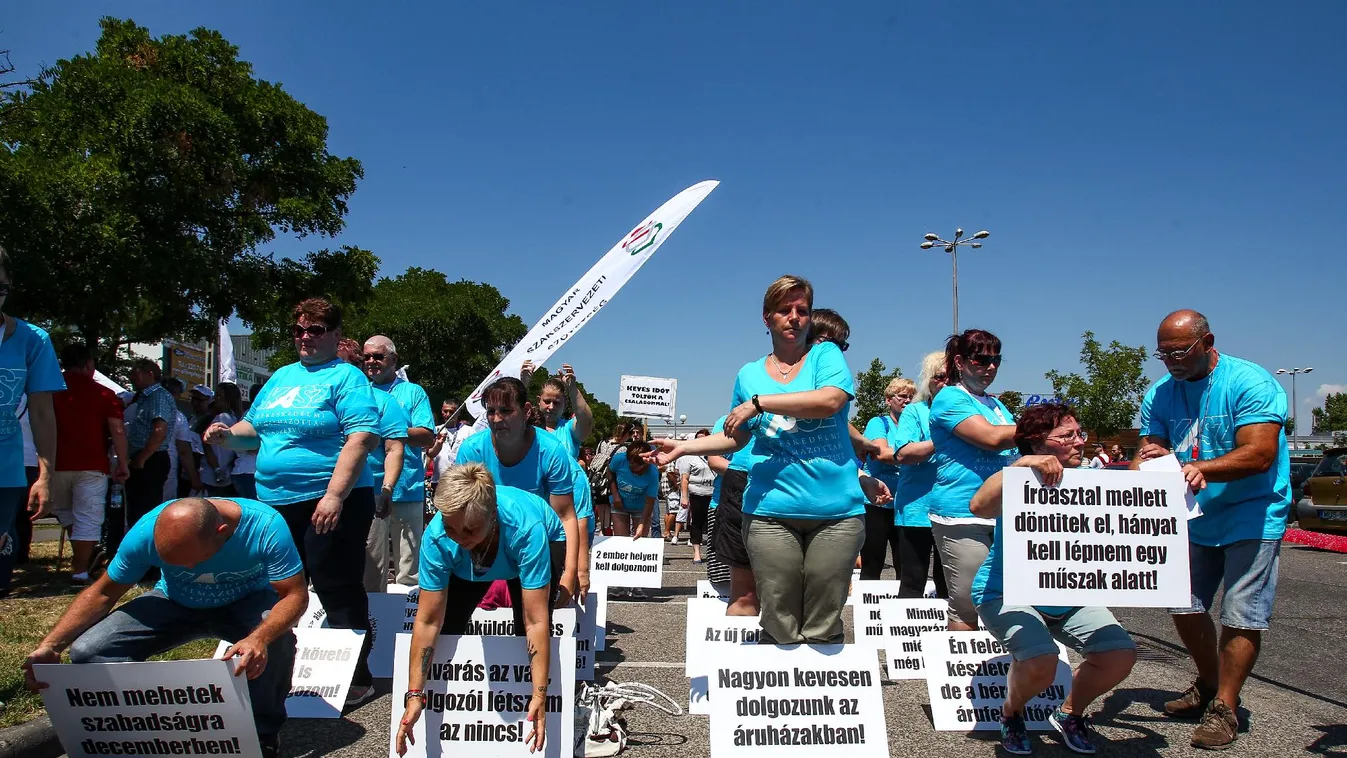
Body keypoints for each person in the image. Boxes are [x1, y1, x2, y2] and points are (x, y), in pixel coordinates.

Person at [651, 276, 887, 643]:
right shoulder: (748, 374)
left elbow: (831, 400)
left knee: (824, 615)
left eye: (802, 310)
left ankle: (819, 672)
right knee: (778, 614)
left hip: (836, 510)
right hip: (769, 509)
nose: (794, 317)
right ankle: (781, 669)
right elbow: (736, 435)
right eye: (784, 310)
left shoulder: (826, 355)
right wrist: (683, 447)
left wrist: (760, 403)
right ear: (767, 318)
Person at [23, 497, 305, 758]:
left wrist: (259, 638)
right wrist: (51, 645)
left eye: (191, 560)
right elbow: (103, 592)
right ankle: (139, 727)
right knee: (90, 651)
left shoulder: (264, 525)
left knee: (275, 641)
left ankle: (262, 732)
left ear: (220, 532)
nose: (189, 569)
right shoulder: (144, 532)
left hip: (246, 603)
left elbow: (295, 595)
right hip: (174, 601)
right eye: (174, 562)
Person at [204, 297, 381, 706]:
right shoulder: (282, 377)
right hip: (274, 501)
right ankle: (271, 670)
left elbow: (362, 438)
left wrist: (334, 495)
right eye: (298, 330)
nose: (305, 337)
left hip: (332, 499)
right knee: (275, 587)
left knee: (336, 586)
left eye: (315, 330)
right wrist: (227, 436)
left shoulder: (347, 377)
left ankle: (357, 677)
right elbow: (254, 430)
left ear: (335, 335)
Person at [1132, 309, 1289, 750]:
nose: (1171, 362)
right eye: (1163, 354)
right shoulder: (1161, 392)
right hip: (1194, 515)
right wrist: (1136, 474)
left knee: (1241, 613)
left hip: (1253, 512)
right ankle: (1208, 682)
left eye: (1180, 352)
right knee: (1182, 602)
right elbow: (1149, 450)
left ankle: (1225, 707)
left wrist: (1202, 467)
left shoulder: (1249, 382)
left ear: (1208, 342)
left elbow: (1259, 453)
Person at [970, 403, 1138, 756]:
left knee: (1119, 654)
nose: (1079, 442)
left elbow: (1141, 502)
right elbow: (980, 506)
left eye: (1079, 433)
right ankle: (1011, 713)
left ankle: (1070, 713)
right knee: (1040, 662)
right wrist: (1021, 465)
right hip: (1006, 592)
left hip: (1069, 594)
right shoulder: (1018, 478)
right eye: (1066, 436)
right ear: (1036, 443)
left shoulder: (1092, 478)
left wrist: (1166, 471)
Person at [394, 464, 563, 756]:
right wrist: (414, 694)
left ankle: (535, 701)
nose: (460, 537)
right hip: (469, 562)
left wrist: (540, 693)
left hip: (539, 538)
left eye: (469, 529)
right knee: (448, 627)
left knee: (523, 629)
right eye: (451, 528)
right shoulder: (437, 537)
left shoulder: (526, 528)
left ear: (492, 514)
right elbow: (428, 621)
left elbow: (535, 621)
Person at [455, 377, 579, 605]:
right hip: (483, 538)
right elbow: (457, 512)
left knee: (533, 619)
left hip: (533, 541)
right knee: (452, 615)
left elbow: (565, 516)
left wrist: (571, 571)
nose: (496, 419)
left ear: (526, 411)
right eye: (491, 411)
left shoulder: (551, 451)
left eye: (505, 410)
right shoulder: (471, 450)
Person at [928, 329, 1017, 631]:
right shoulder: (949, 397)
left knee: (1002, 600)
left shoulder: (997, 406)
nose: (990, 367)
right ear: (960, 362)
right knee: (969, 604)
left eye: (996, 360)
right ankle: (959, 661)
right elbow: (990, 438)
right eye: (981, 360)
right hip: (962, 514)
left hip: (1001, 513)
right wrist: (1044, 428)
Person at [329, 339, 409, 593]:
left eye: (342, 364)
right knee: (326, 565)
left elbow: (394, 449)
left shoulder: (383, 401)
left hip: (368, 493)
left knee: (370, 571)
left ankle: (372, 615)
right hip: (318, 492)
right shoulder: (320, 400)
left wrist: (387, 489)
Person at [51, 344, 129, 583]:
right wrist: (123, 462)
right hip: (92, 464)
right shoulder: (104, 394)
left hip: (54, 462)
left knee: (65, 512)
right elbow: (117, 430)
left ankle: (82, 559)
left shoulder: (48, 391)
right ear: (89, 364)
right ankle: (81, 570)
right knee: (88, 516)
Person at [363, 336, 435, 588]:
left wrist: (389, 431)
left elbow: (427, 435)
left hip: (407, 488)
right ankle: (374, 612)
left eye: (378, 356)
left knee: (409, 571)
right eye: (367, 357)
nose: (371, 361)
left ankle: (408, 613)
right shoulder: (359, 392)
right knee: (372, 569)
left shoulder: (413, 392)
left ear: (393, 359)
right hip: (369, 488)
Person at [524, 363, 595, 597]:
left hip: (568, 509)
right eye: (547, 401)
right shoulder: (526, 430)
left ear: (565, 405)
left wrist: (573, 388)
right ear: (538, 401)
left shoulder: (568, 431)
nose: (551, 406)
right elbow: (508, 411)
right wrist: (522, 382)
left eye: (557, 402)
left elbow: (586, 420)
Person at [890, 352, 951, 599]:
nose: (946, 382)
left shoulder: (971, 413)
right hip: (916, 509)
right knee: (912, 581)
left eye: (952, 377)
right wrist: (944, 440)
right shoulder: (915, 412)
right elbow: (904, 453)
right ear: (928, 381)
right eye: (939, 377)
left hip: (954, 510)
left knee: (951, 585)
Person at [117, 359, 176, 557]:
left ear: (149, 374)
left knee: (146, 511)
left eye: (136, 373)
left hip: (151, 459)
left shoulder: (158, 396)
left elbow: (159, 431)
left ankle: (149, 557)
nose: (132, 378)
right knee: (136, 510)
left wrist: (142, 457)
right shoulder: (143, 398)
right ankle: (141, 554)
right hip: (143, 458)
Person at [860, 377, 914, 580]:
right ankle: (868, 601)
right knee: (872, 563)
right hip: (877, 503)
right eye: (902, 396)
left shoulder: (915, 426)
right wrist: (914, 454)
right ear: (888, 400)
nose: (907, 400)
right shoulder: (878, 423)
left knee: (906, 566)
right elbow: (881, 453)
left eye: (911, 397)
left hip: (905, 504)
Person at [678, 429, 716, 564]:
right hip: (697, 494)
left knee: (714, 524)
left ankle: (713, 553)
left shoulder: (715, 453)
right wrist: (684, 497)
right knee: (697, 523)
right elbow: (684, 479)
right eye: (698, 439)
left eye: (704, 438)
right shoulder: (690, 457)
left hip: (714, 494)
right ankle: (697, 553)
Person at [199, 383, 244, 496]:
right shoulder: (237, 418)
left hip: (214, 474)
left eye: (219, 395)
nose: (215, 398)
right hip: (221, 474)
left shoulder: (223, 418)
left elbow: (207, 443)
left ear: (229, 398)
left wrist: (217, 469)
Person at [588, 422, 630, 534]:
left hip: (596, 481)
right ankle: (607, 535)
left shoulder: (602, 443)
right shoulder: (622, 449)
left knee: (602, 513)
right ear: (626, 434)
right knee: (613, 516)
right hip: (610, 484)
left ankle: (603, 532)